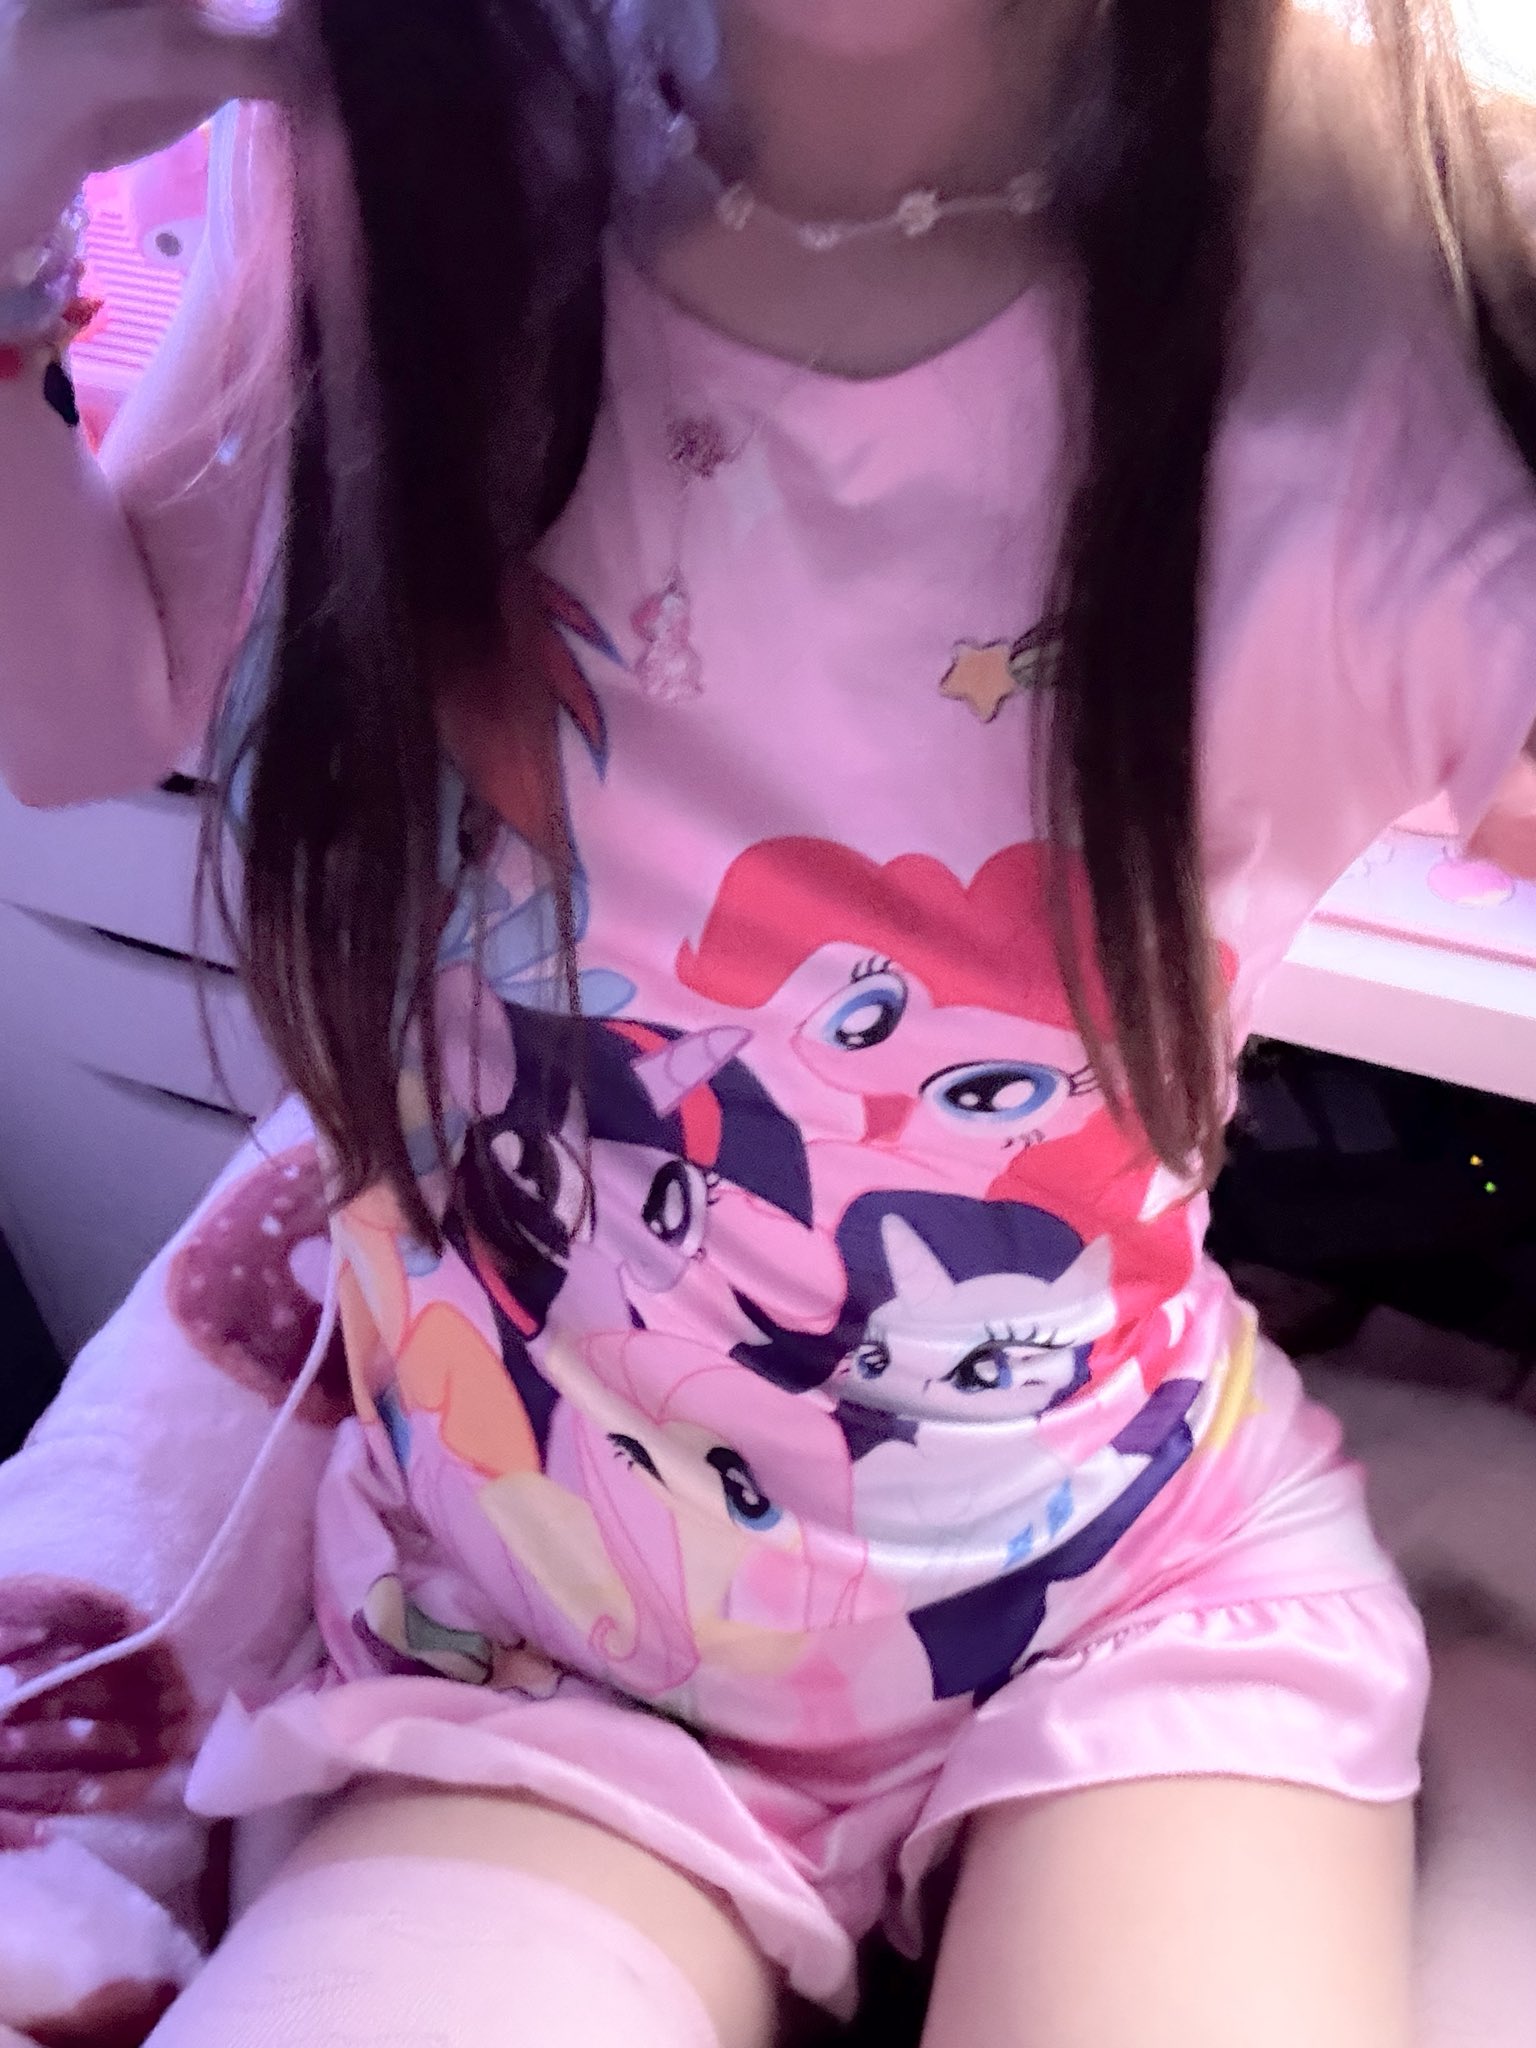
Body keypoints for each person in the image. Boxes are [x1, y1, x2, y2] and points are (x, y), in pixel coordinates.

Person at [1, 1, 1534, 2042]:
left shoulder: (1391, 296)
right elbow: (80, 715)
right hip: (524, 1668)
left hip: (1129, 1599)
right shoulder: (407, 144)